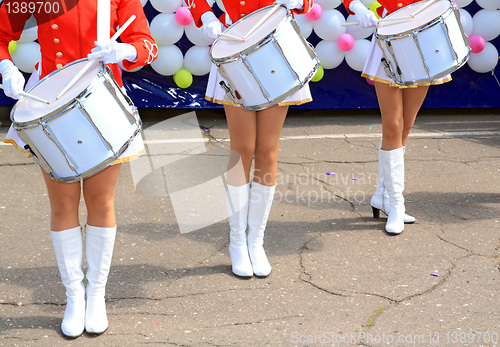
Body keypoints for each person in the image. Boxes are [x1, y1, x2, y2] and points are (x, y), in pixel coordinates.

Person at [0, 0, 158, 338]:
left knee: (101, 202)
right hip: (52, 104)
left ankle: (96, 295)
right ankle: (74, 296)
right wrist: (6, 66)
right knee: (62, 204)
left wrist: (125, 50)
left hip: (101, 100)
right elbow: (1, 32)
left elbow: (148, 45)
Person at [187, 0, 313, 277]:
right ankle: (236, 242)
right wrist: (206, 13)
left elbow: (307, 4)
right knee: (242, 149)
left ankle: (256, 241)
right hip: (235, 54)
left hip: (276, 53)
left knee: (268, 150)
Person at [343, 0, 452, 235]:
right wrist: (357, 7)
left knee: (405, 127)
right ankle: (396, 203)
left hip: (422, 40)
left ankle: (382, 196)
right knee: (393, 125)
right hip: (388, 42)